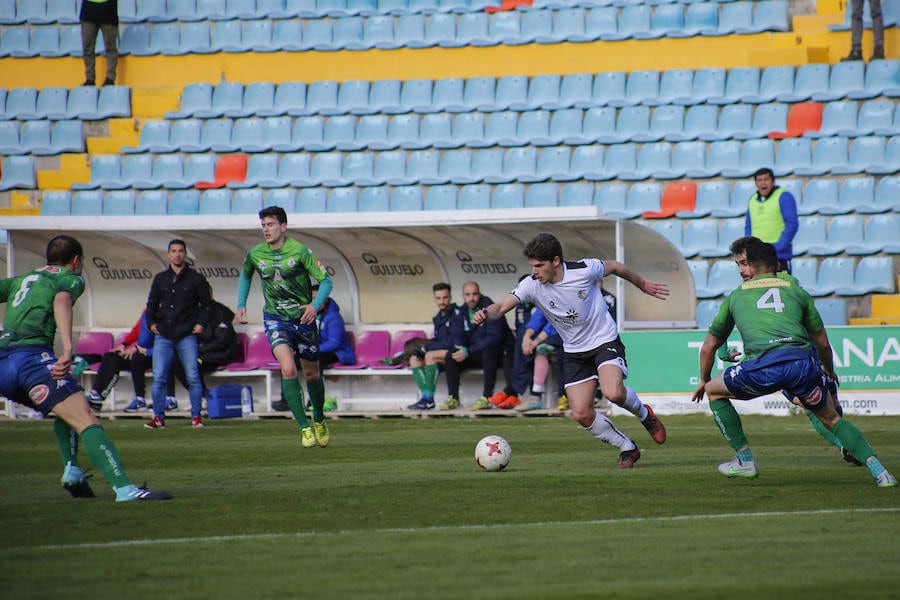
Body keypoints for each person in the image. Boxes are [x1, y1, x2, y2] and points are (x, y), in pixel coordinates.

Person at [691, 236, 896, 487]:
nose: (741, 270)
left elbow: (708, 346)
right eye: (738, 265)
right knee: (830, 416)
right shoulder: (796, 290)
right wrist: (828, 370)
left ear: (755, 265)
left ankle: (744, 461)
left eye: (744, 264)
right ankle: (881, 472)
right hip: (802, 365)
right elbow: (822, 342)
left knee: (713, 391)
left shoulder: (736, 296)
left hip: (765, 365)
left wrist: (703, 379)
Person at [473, 232, 669, 469]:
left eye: (539, 265)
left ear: (556, 261)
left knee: (613, 392)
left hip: (603, 340)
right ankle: (627, 447)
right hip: (574, 351)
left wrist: (643, 284)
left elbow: (616, 266)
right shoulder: (532, 285)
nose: (534, 271)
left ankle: (645, 415)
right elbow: (502, 305)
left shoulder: (584, 269)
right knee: (581, 414)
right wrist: (486, 313)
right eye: (532, 266)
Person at [0, 235, 171, 501]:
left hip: (3, 363)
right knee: (86, 418)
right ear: (76, 260)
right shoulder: (69, 278)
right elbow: (62, 301)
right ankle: (124, 489)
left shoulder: (21, 279)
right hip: (31, 360)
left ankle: (72, 470)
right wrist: (68, 348)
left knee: (66, 407)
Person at [236, 205, 333, 449]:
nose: (266, 230)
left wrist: (314, 306)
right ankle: (303, 427)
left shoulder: (300, 251)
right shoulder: (256, 254)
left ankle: (319, 418)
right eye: (263, 226)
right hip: (275, 318)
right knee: (288, 369)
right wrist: (241, 304)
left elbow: (326, 281)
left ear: (283, 226)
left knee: (311, 374)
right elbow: (246, 274)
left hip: (303, 318)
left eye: (270, 224)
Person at [145, 239, 211, 429]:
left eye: (181, 251)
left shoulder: (196, 279)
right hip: (163, 333)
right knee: (159, 377)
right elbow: (150, 305)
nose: (177, 254)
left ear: (185, 254)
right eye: (173, 251)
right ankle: (158, 418)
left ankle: (196, 417)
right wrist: (151, 324)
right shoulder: (160, 279)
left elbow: (207, 305)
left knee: (192, 376)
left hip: (186, 333)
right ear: (168, 254)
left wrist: (201, 324)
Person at [84, 309, 178, 413]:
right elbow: (138, 330)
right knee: (111, 356)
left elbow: (168, 340)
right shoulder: (148, 311)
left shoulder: (172, 312)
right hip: (144, 352)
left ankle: (146, 399)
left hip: (161, 353)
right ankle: (96, 395)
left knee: (139, 359)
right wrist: (124, 344)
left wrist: (137, 348)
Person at [444, 281, 515, 411]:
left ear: (480, 294)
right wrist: (461, 348)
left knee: (489, 350)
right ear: (463, 296)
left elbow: (493, 339)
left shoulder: (489, 309)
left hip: (498, 355)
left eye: (475, 294)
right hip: (477, 353)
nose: (471, 298)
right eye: (468, 294)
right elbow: (458, 334)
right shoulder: (462, 312)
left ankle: (486, 398)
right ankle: (453, 398)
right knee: (451, 355)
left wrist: (468, 351)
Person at [169, 294, 239, 401]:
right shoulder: (194, 312)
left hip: (221, 354)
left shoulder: (221, 312)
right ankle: (202, 396)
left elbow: (222, 341)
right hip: (202, 353)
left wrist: (198, 350)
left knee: (193, 364)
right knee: (174, 362)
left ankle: (204, 398)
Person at [406, 282, 461, 411]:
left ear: (450, 297)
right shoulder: (437, 317)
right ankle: (426, 398)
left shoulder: (457, 314)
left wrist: (428, 348)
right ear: (434, 299)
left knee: (430, 356)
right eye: (438, 298)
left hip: (455, 354)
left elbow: (453, 341)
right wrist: (424, 348)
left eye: (445, 298)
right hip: (440, 355)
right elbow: (439, 339)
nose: (442, 301)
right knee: (414, 358)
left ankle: (428, 400)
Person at [744, 167, 798, 274]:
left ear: (773, 181)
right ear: (756, 183)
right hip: (758, 258)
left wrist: (780, 246)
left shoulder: (783, 196)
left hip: (779, 257)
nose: (763, 183)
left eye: (766, 179)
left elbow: (792, 224)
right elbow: (748, 226)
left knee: (781, 289)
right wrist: (750, 247)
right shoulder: (752, 200)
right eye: (759, 180)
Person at [516, 308, 565, 413]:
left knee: (545, 348)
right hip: (553, 337)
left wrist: (535, 342)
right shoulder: (545, 295)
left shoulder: (565, 295)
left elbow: (555, 323)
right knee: (540, 350)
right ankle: (535, 397)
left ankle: (564, 396)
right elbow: (537, 319)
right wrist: (526, 337)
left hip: (573, 335)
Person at [80, 0, 118, 86]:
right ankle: (90, 79)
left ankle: (110, 78)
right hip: (88, 8)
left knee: (110, 47)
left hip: (108, 8)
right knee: (87, 46)